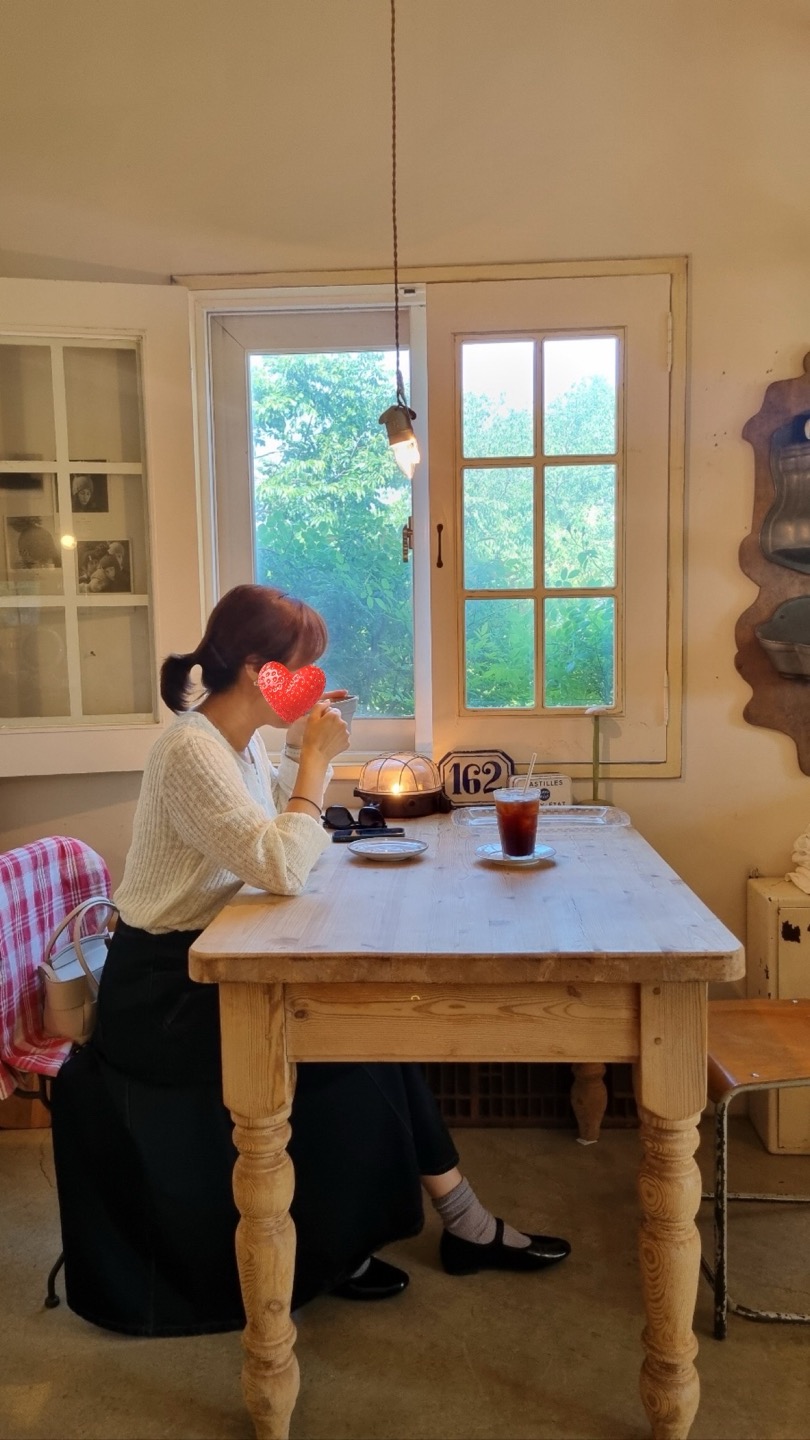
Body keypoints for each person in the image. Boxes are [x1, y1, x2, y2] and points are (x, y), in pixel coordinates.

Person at [50, 583, 570, 1338]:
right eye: (302, 670)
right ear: (257, 668)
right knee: (352, 1050)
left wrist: (299, 756)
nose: (312, 686)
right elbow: (280, 863)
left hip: (217, 958)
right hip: (163, 992)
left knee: (374, 1035)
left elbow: (278, 839)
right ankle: (423, 1231)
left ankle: (422, 1229)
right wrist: (317, 764)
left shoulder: (240, 743)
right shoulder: (190, 749)